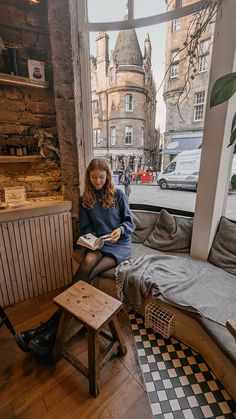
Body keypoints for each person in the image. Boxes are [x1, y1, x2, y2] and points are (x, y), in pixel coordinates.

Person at [15, 158, 135, 355]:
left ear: (108, 176)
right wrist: (92, 240)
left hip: (118, 245)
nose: (97, 181)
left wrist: (120, 231)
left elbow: (130, 223)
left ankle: (48, 330)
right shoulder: (85, 198)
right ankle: (49, 330)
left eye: (102, 177)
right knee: (88, 262)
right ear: (88, 176)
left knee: (87, 272)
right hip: (99, 243)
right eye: (94, 177)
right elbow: (86, 228)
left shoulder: (119, 194)